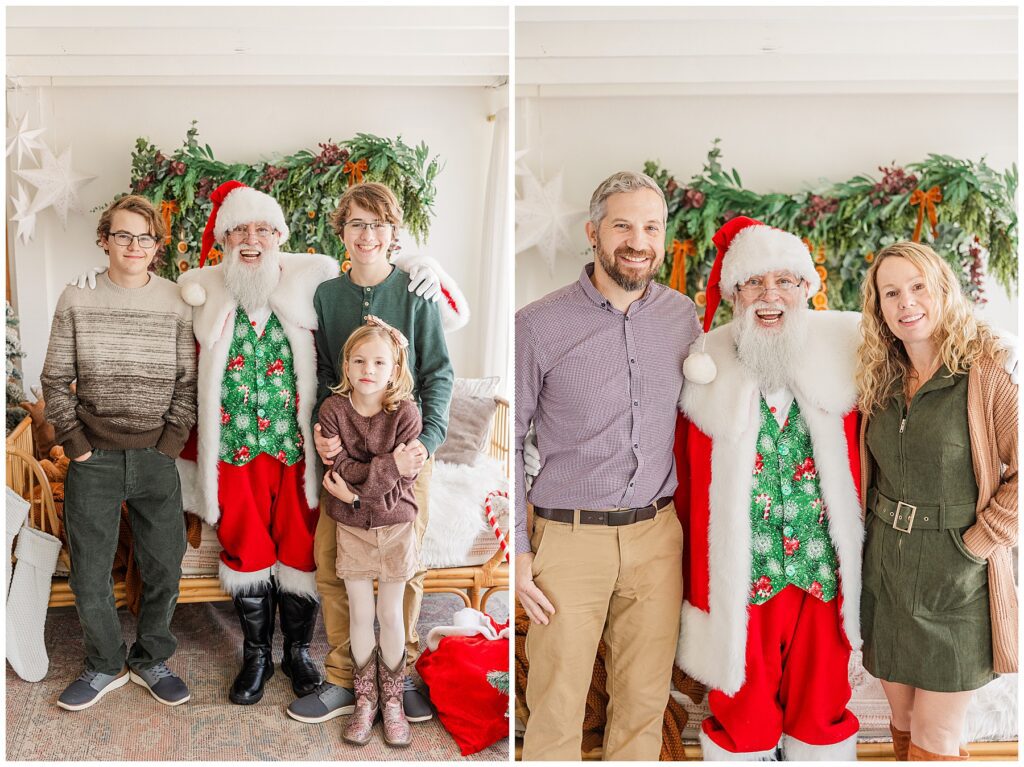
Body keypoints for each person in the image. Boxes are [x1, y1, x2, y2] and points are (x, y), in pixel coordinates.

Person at [515, 171, 700, 761]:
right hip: (568, 540)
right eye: (623, 224)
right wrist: (517, 555)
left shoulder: (684, 318)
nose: (637, 240)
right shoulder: (537, 324)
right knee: (556, 708)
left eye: (651, 226)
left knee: (643, 707)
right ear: (593, 232)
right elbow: (510, 444)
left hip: (657, 537)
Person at [672, 216, 864, 760]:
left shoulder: (845, 351)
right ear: (734, 293)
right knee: (744, 712)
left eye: (785, 281)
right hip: (744, 577)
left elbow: (923, 336)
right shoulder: (703, 364)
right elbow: (684, 481)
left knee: (822, 707)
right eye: (755, 283)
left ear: (808, 287)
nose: (770, 295)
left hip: (821, 573)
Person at [288, 181, 454, 726]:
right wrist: (320, 430)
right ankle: (343, 677)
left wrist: (424, 445)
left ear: (393, 233)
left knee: (403, 570)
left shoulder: (415, 291)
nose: (367, 235)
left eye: (378, 224)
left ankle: (397, 677)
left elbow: (438, 374)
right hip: (345, 459)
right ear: (343, 231)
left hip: (406, 457)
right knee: (337, 564)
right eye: (356, 223)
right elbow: (323, 376)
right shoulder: (327, 295)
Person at [856, 241, 1018, 761]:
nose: (907, 302)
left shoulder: (986, 374)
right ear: (879, 308)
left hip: (957, 573)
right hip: (885, 569)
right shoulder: (877, 380)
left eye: (918, 286)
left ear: (943, 288)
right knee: (901, 721)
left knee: (936, 735)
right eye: (891, 293)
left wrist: (979, 542)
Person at [41, 195, 196, 710]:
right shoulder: (76, 298)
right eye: (123, 235)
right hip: (94, 460)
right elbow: (55, 379)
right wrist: (77, 448)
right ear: (104, 240)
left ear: (157, 245)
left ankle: (151, 657)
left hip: (156, 457)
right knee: (89, 570)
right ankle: (104, 663)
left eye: (145, 237)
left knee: (165, 567)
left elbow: (186, 380)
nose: (134, 246)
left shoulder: (178, 300)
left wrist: (170, 445)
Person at [317, 318, 423, 747]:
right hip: (352, 530)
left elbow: (401, 484)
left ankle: (393, 700)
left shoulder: (406, 414)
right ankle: (365, 701)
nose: (368, 369)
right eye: (359, 360)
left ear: (395, 368)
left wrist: (358, 494)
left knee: (390, 614)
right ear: (346, 364)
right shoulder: (333, 411)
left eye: (380, 361)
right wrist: (388, 467)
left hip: (396, 528)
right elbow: (340, 469)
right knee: (361, 612)